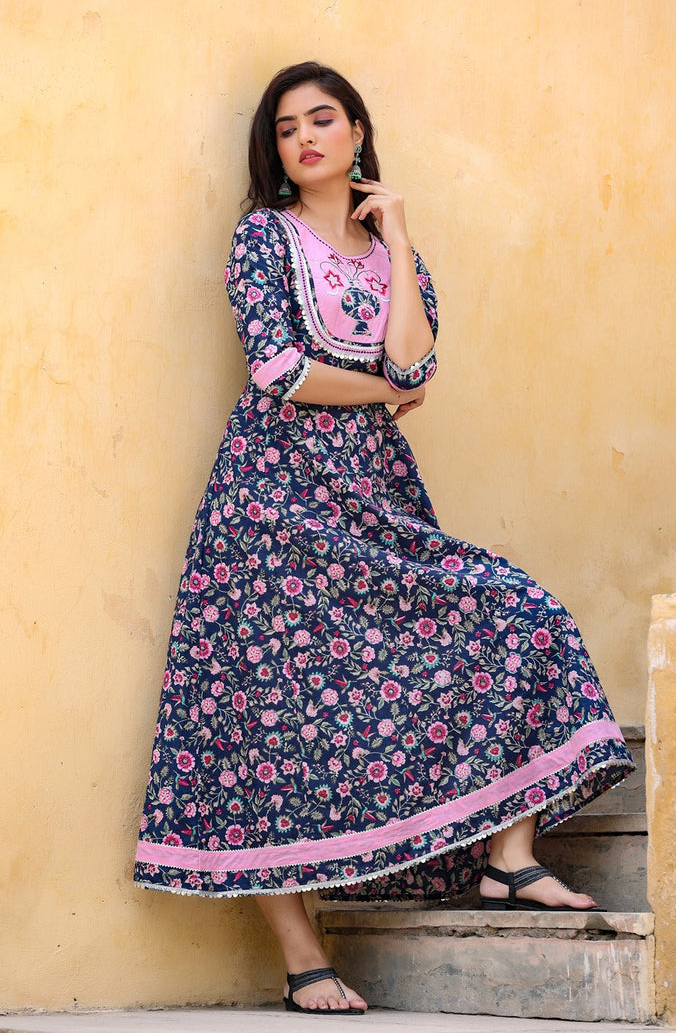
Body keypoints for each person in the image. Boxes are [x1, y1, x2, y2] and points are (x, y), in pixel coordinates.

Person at [134, 61, 634, 1015]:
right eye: (286, 129)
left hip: (373, 493)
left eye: (322, 120)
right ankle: (301, 956)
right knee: (265, 717)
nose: (304, 139)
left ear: (358, 132)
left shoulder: (393, 250)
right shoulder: (262, 237)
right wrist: (385, 391)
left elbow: (416, 360)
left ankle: (511, 856)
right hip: (271, 500)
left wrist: (398, 240)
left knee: (517, 612)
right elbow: (281, 371)